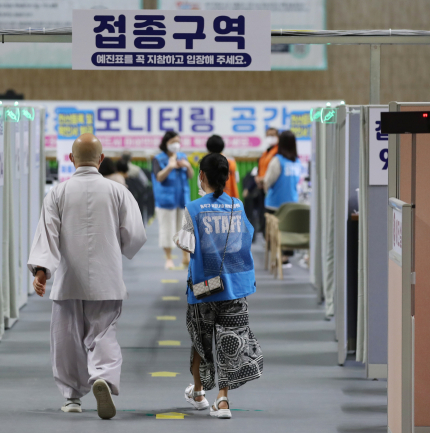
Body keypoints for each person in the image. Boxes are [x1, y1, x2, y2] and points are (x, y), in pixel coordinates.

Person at [27, 133, 147, 420]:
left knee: (66, 339)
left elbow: (48, 235)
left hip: (68, 279)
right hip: (107, 278)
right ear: (101, 159)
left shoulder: (57, 193)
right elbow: (135, 237)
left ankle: (71, 397)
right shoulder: (118, 191)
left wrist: (42, 271)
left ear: (71, 160)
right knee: (103, 333)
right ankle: (102, 376)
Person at [173, 153, 263, 420]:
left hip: (203, 287)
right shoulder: (237, 205)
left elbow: (187, 243)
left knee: (201, 340)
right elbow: (247, 236)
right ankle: (222, 400)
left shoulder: (193, 208)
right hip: (236, 285)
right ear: (226, 177)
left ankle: (199, 394)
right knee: (229, 341)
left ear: (202, 176)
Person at [152, 130, 194, 269]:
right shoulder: (158, 158)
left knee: (185, 230)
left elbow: (191, 176)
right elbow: (158, 177)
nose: (176, 144)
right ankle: (168, 258)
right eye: (172, 142)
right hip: (165, 200)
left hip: (182, 198)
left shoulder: (182, 157)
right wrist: (169, 167)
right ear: (166, 143)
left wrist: (187, 166)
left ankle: (185, 257)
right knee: (167, 229)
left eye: (177, 141)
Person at [263, 130, 302, 266]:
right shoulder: (297, 162)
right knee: (288, 231)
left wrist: (267, 190)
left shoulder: (277, 160)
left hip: (275, 203)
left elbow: (268, 181)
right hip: (292, 203)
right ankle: (286, 257)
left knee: (273, 232)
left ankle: (276, 256)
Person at [256, 127, 279, 236]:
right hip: (262, 187)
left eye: (273, 135)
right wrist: (258, 178)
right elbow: (261, 168)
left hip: (271, 187)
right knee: (263, 214)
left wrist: (264, 179)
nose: (270, 138)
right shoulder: (265, 152)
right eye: (268, 135)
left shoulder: (278, 153)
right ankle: (266, 237)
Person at [205, 134, 240, 198]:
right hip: (230, 200)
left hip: (213, 200)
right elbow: (237, 179)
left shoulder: (206, 162)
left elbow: (201, 183)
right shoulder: (232, 161)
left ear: (208, 148)